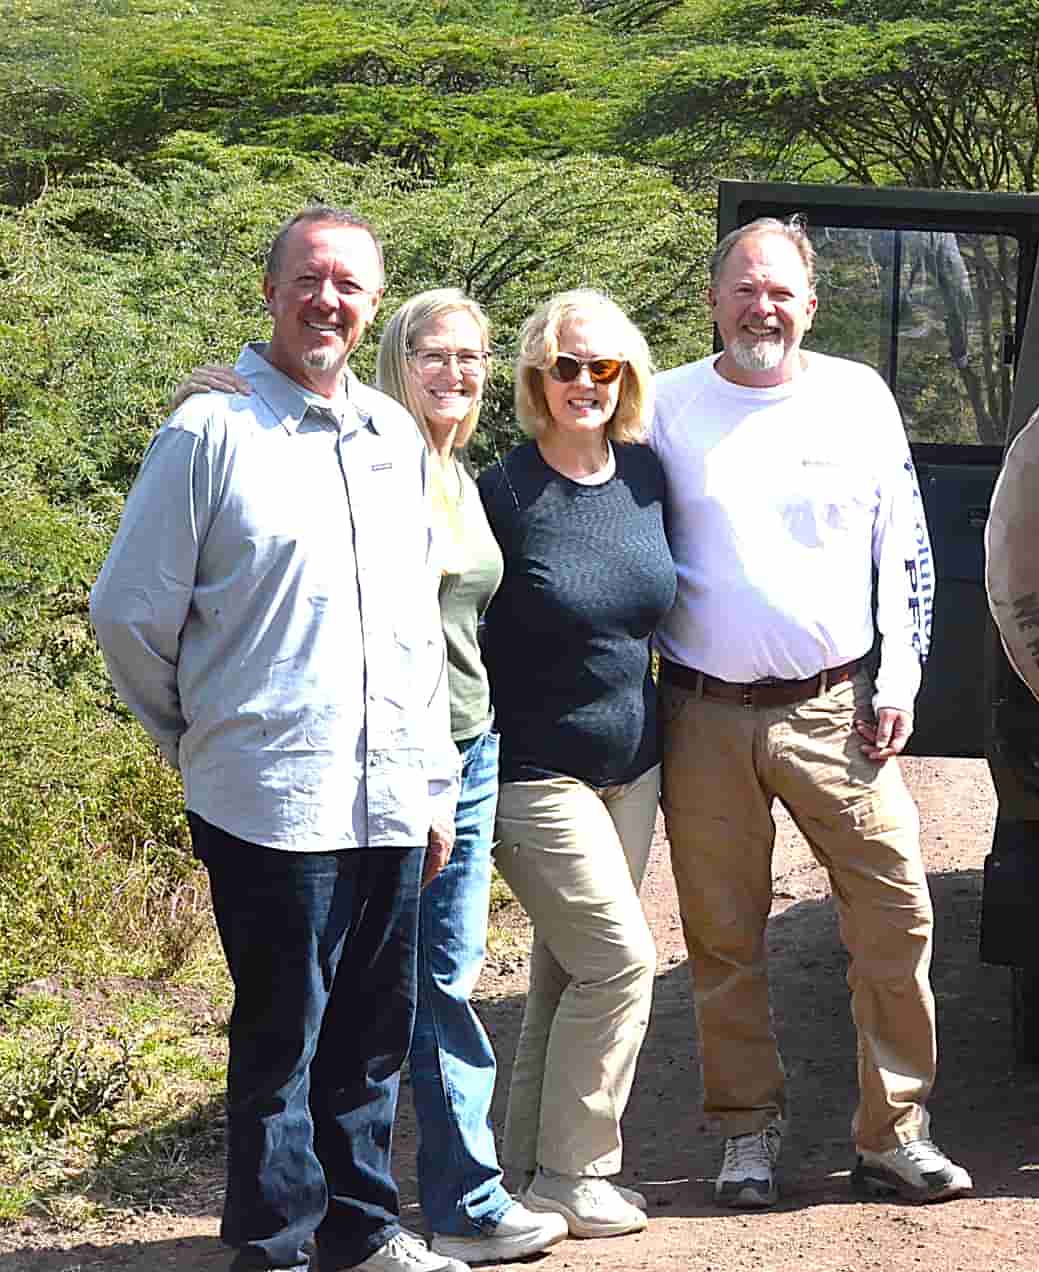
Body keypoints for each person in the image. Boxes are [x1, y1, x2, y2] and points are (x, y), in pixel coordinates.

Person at [90, 206, 469, 1272]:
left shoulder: (394, 437)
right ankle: (278, 1247)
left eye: (350, 284)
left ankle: (364, 1234)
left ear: (374, 306)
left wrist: (434, 784)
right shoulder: (209, 432)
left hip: (391, 795)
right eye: (309, 279)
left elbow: (415, 630)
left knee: (371, 1036)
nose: (328, 300)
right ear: (270, 291)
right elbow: (128, 612)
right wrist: (200, 739)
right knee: (281, 1043)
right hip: (266, 794)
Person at [166, 290, 573, 1267]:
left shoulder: (457, 471)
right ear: (392, 354)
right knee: (339, 1004)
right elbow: (145, 609)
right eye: (434, 353)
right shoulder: (353, 447)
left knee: (408, 993)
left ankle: (400, 1213)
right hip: (342, 768)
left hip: (453, 760)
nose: (455, 373)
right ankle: (375, 1217)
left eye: (473, 356)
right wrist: (197, 736)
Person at [650, 216, 969, 1208]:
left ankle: (894, 1133)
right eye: (745, 288)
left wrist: (901, 682)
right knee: (721, 933)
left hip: (838, 709)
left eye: (781, 290)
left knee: (895, 915)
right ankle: (746, 1134)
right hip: (701, 711)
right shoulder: (662, 407)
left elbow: (903, 548)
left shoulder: (855, 398)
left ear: (811, 305)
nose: (763, 306)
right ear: (713, 300)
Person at [479, 289, 675, 1240]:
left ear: (627, 377)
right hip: (534, 773)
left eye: (605, 368)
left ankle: (516, 1177)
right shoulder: (504, 491)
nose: (586, 383)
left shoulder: (645, 478)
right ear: (537, 377)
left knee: (563, 978)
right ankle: (577, 1171)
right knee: (622, 965)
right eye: (568, 366)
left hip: (631, 771)